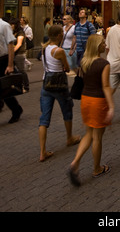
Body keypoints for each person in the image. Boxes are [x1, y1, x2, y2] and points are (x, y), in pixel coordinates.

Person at [68, 35, 114, 186]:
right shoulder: (104, 63)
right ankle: (97, 168)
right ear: (96, 46)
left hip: (86, 100)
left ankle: (75, 162)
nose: (104, 44)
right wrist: (111, 106)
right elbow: (105, 86)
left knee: (88, 133)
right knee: (97, 137)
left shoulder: (84, 62)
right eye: (102, 43)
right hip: (98, 101)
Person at [39, 25, 80, 162]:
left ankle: (42, 151)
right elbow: (67, 68)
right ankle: (69, 137)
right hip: (59, 85)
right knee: (67, 110)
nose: (63, 35)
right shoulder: (59, 51)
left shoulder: (44, 48)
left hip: (46, 84)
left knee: (44, 118)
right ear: (58, 36)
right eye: (61, 34)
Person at [0, 4, 23, 123]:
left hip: (1, 61)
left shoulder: (4, 26)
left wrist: (10, 65)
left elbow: (11, 45)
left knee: (5, 89)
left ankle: (16, 109)